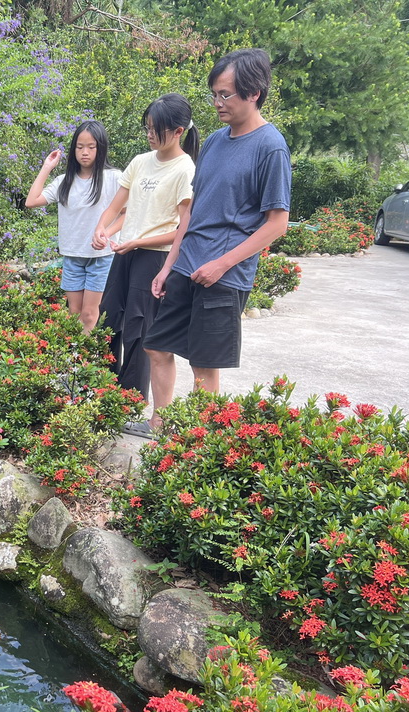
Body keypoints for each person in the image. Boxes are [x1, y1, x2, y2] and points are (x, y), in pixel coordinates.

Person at [137, 48, 291, 436]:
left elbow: (277, 224)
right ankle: (161, 426)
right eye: (214, 95)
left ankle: (197, 447)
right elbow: (193, 211)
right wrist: (169, 265)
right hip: (186, 265)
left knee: (204, 366)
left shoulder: (270, 147)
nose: (217, 103)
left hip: (223, 277)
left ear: (254, 92)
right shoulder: (217, 141)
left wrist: (222, 264)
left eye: (225, 95)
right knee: (156, 346)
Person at [91, 94, 199, 399]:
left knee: (139, 329)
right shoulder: (140, 162)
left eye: (157, 130)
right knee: (108, 319)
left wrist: (138, 241)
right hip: (126, 253)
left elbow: (182, 230)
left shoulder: (185, 169)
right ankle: (103, 389)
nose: (150, 135)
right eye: (148, 128)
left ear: (179, 131)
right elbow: (118, 208)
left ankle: (130, 398)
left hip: (154, 257)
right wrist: (101, 229)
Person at [25, 120, 122, 332]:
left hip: (101, 257)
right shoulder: (64, 181)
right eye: (79, 147)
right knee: (74, 314)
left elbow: (127, 213)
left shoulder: (114, 178)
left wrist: (107, 232)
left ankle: (83, 361)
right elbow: (31, 201)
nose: (84, 152)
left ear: (101, 148)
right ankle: (77, 360)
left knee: (89, 314)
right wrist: (47, 167)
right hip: (73, 256)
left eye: (91, 147)